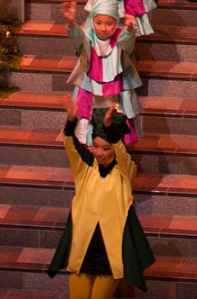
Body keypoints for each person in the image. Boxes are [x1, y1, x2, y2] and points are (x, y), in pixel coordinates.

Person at [47, 98, 154, 296]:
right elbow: (71, 146)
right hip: (83, 252)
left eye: (106, 148)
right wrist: (71, 122)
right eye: (95, 146)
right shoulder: (85, 170)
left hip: (109, 257)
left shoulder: (124, 173)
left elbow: (122, 154)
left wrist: (109, 128)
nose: (99, 153)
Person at [62, 0, 142, 145]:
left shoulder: (120, 37)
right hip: (90, 87)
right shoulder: (88, 37)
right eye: (98, 23)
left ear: (115, 23)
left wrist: (128, 28)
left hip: (116, 90)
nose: (103, 28)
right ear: (93, 21)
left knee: (115, 120)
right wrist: (71, 24)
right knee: (88, 122)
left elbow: (127, 45)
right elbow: (78, 41)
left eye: (109, 23)